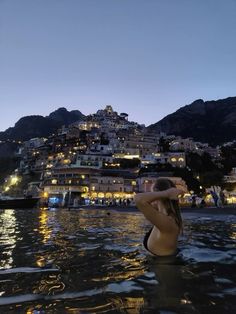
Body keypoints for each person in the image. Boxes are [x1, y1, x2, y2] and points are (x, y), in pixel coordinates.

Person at [134, 178, 185, 257]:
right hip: (162, 265)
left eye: (152, 194)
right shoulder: (164, 218)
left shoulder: (167, 222)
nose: (151, 198)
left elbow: (138, 199)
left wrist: (167, 193)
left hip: (163, 268)